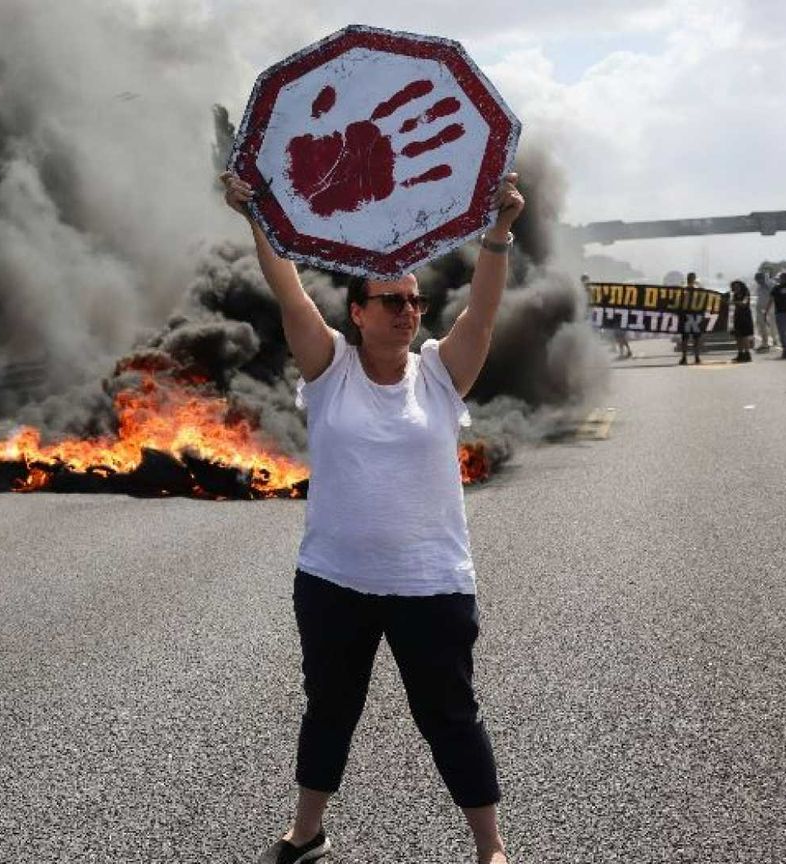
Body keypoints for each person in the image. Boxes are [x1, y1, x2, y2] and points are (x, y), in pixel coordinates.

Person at [221, 169, 523, 864]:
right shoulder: (330, 371)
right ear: (357, 312)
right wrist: (256, 218)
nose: (406, 311)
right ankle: (307, 832)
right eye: (390, 300)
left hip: (432, 583)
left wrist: (498, 235)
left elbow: (480, 314)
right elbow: (288, 288)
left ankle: (491, 849)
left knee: (449, 717)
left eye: (413, 302)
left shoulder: (441, 374)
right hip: (335, 580)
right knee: (330, 708)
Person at [678, 271, 704, 365]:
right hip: (688, 315)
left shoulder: (696, 289)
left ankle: (695, 357)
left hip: (693, 316)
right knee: (687, 338)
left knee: (693, 338)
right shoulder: (685, 289)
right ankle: (687, 357)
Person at [730, 279, 754, 362]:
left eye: (737, 286)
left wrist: (734, 302)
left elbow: (744, 304)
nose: (735, 288)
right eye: (734, 287)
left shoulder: (746, 293)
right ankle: (740, 354)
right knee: (738, 336)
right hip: (738, 316)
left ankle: (747, 354)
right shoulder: (735, 295)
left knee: (745, 336)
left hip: (745, 316)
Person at [752, 271, 774, 352]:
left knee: (770, 326)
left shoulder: (770, 285)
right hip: (760, 308)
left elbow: (773, 297)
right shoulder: (759, 287)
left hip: (769, 308)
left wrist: (768, 309)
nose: (758, 282)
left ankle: (770, 342)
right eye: (757, 280)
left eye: (759, 279)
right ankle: (764, 343)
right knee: (761, 326)